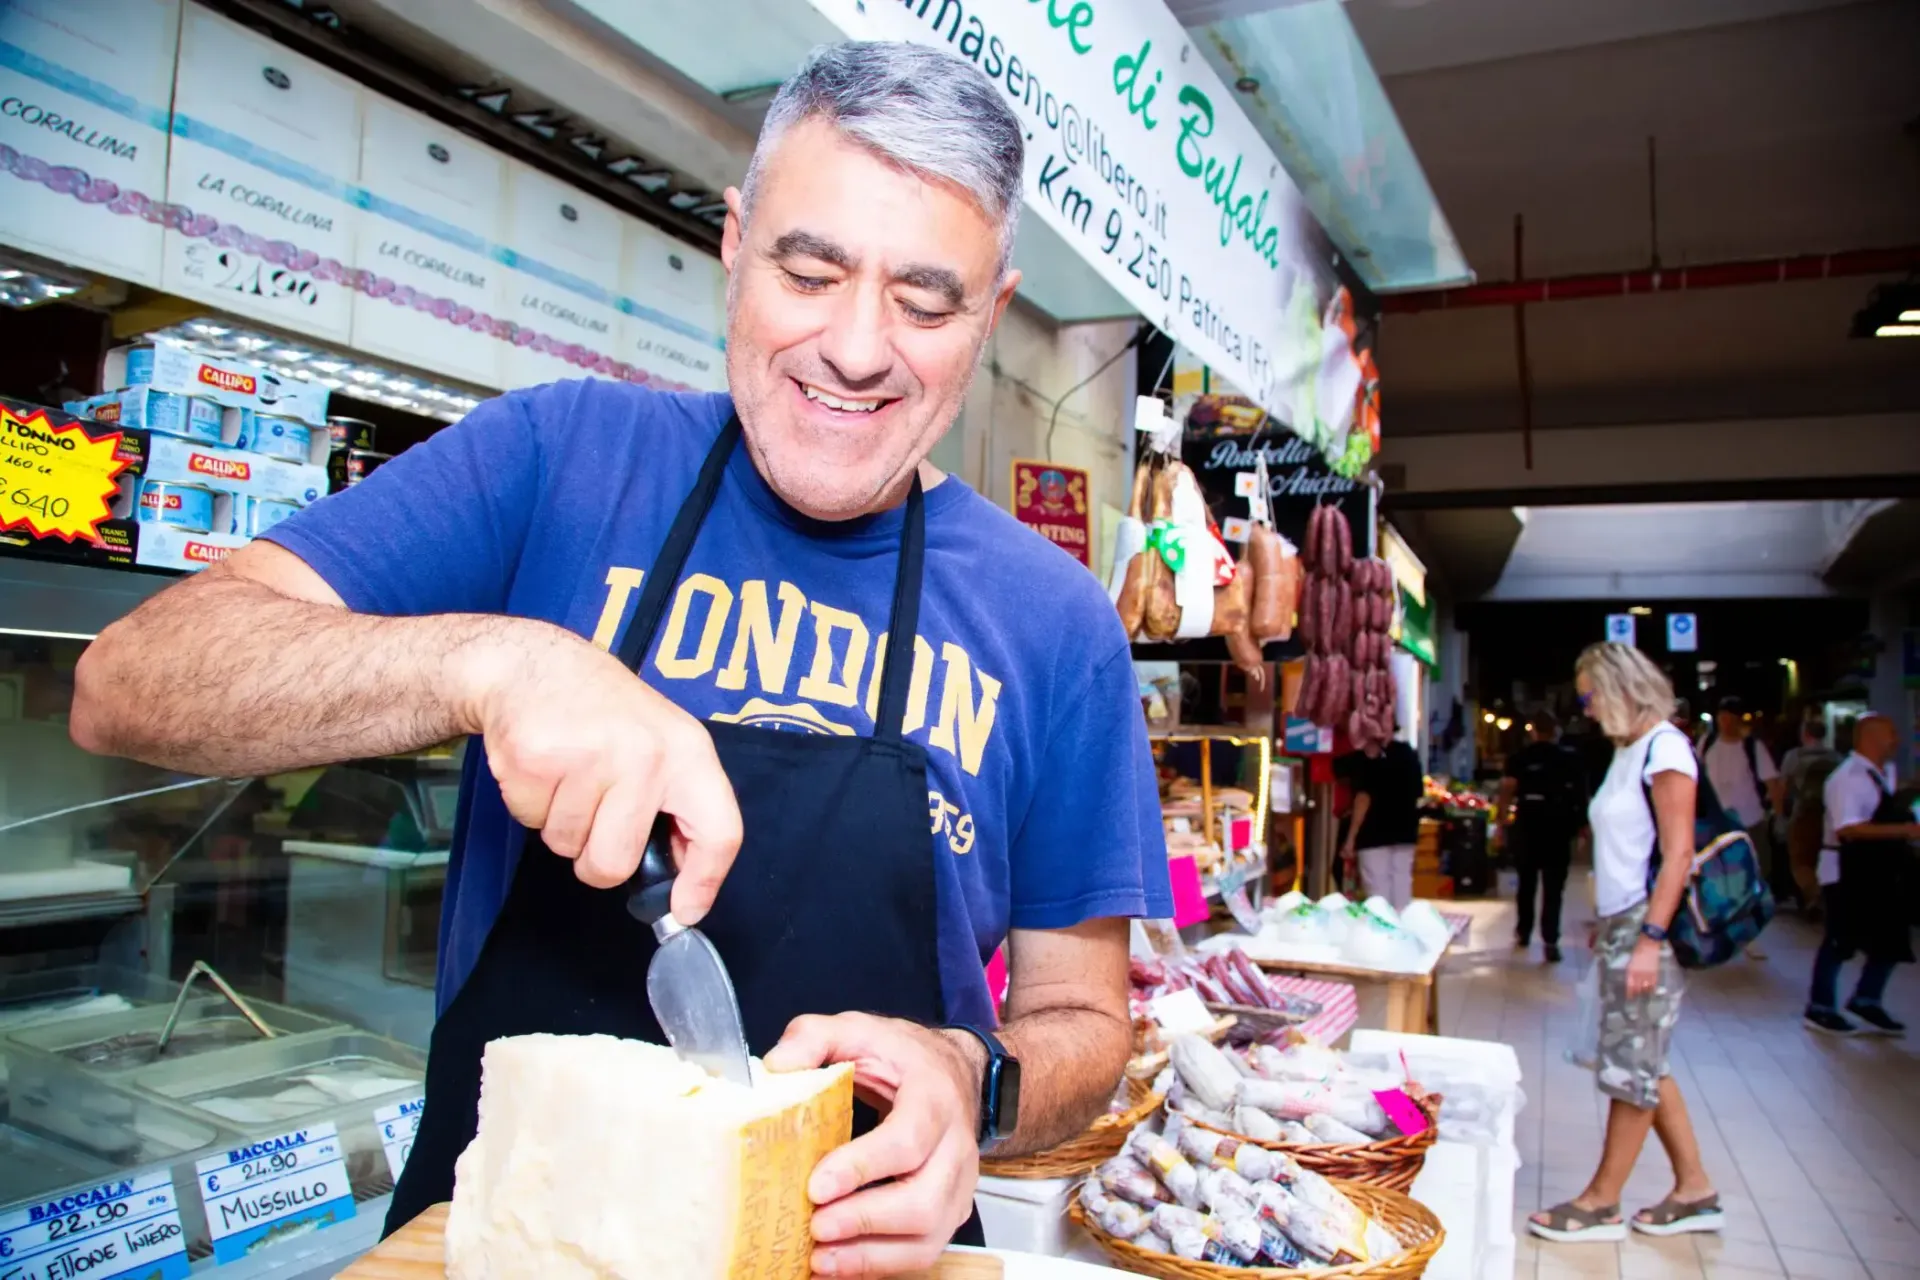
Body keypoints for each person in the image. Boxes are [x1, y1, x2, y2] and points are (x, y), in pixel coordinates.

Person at [67, 42, 1172, 1276]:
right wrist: (496, 662)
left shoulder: (1057, 618)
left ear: (993, 310)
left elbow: (1084, 1019)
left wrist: (978, 1074)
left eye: (925, 304)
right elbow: (127, 679)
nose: (858, 348)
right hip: (513, 1241)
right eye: (808, 271)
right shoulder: (556, 458)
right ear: (735, 242)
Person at [1529, 643, 1721, 1243]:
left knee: (1630, 1070)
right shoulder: (1628, 750)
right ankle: (1696, 1190)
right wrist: (1608, 924)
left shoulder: (1666, 750)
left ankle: (1601, 1203)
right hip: (1623, 924)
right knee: (1646, 1064)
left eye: (1589, 696)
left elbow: (1678, 854)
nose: (1586, 709)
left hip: (1646, 928)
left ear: (1620, 687)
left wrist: (1647, 939)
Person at [1802, 714, 1919, 1037]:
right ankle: (1820, 1006)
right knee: (1840, 939)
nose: (1896, 738)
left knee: (1891, 937)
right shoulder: (1847, 778)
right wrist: (1906, 829)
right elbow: (1848, 828)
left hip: (1878, 872)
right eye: (1891, 732)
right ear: (1871, 738)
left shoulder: (1885, 773)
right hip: (1843, 871)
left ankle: (1867, 998)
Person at [1496, 712, 1588, 963]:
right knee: (1554, 887)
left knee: (1526, 883)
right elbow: (1581, 796)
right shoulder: (1569, 760)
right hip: (1558, 828)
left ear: (1533, 731)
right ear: (1555, 731)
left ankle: (1524, 932)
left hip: (1528, 825)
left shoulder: (1520, 759)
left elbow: (1507, 790)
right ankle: (1550, 940)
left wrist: (1501, 821)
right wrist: (1582, 827)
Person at [1701, 696, 1785, 952]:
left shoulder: (1752, 747)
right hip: (1716, 825)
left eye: (1730, 717)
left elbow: (1773, 784)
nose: (1725, 723)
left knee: (1751, 879)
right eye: (1721, 717)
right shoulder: (1708, 743)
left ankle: (1749, 934)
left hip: (1749, 822)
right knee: (1716, 880)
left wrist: (1779, 816)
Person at [1339, 730, 1424, 911]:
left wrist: (1350, 839)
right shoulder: (1407, 753)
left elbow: (1363, 799)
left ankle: (1383, 933)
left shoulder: (1365, 759)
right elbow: (1418, 792)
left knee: (1378, 894)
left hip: (1374, 834)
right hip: (1405, 832)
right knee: (1402, 886)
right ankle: (1401, 931)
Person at [1779, 718, 1841, 918]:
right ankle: (1823, 894)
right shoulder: (1837, 757)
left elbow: (1783, 788)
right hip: (1829, 815)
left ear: (1805, 734)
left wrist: (1780, 814)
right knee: (1821, 857)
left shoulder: (1794, 757)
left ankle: (1813, 894)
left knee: (1800, 861)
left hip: (1802, 814)